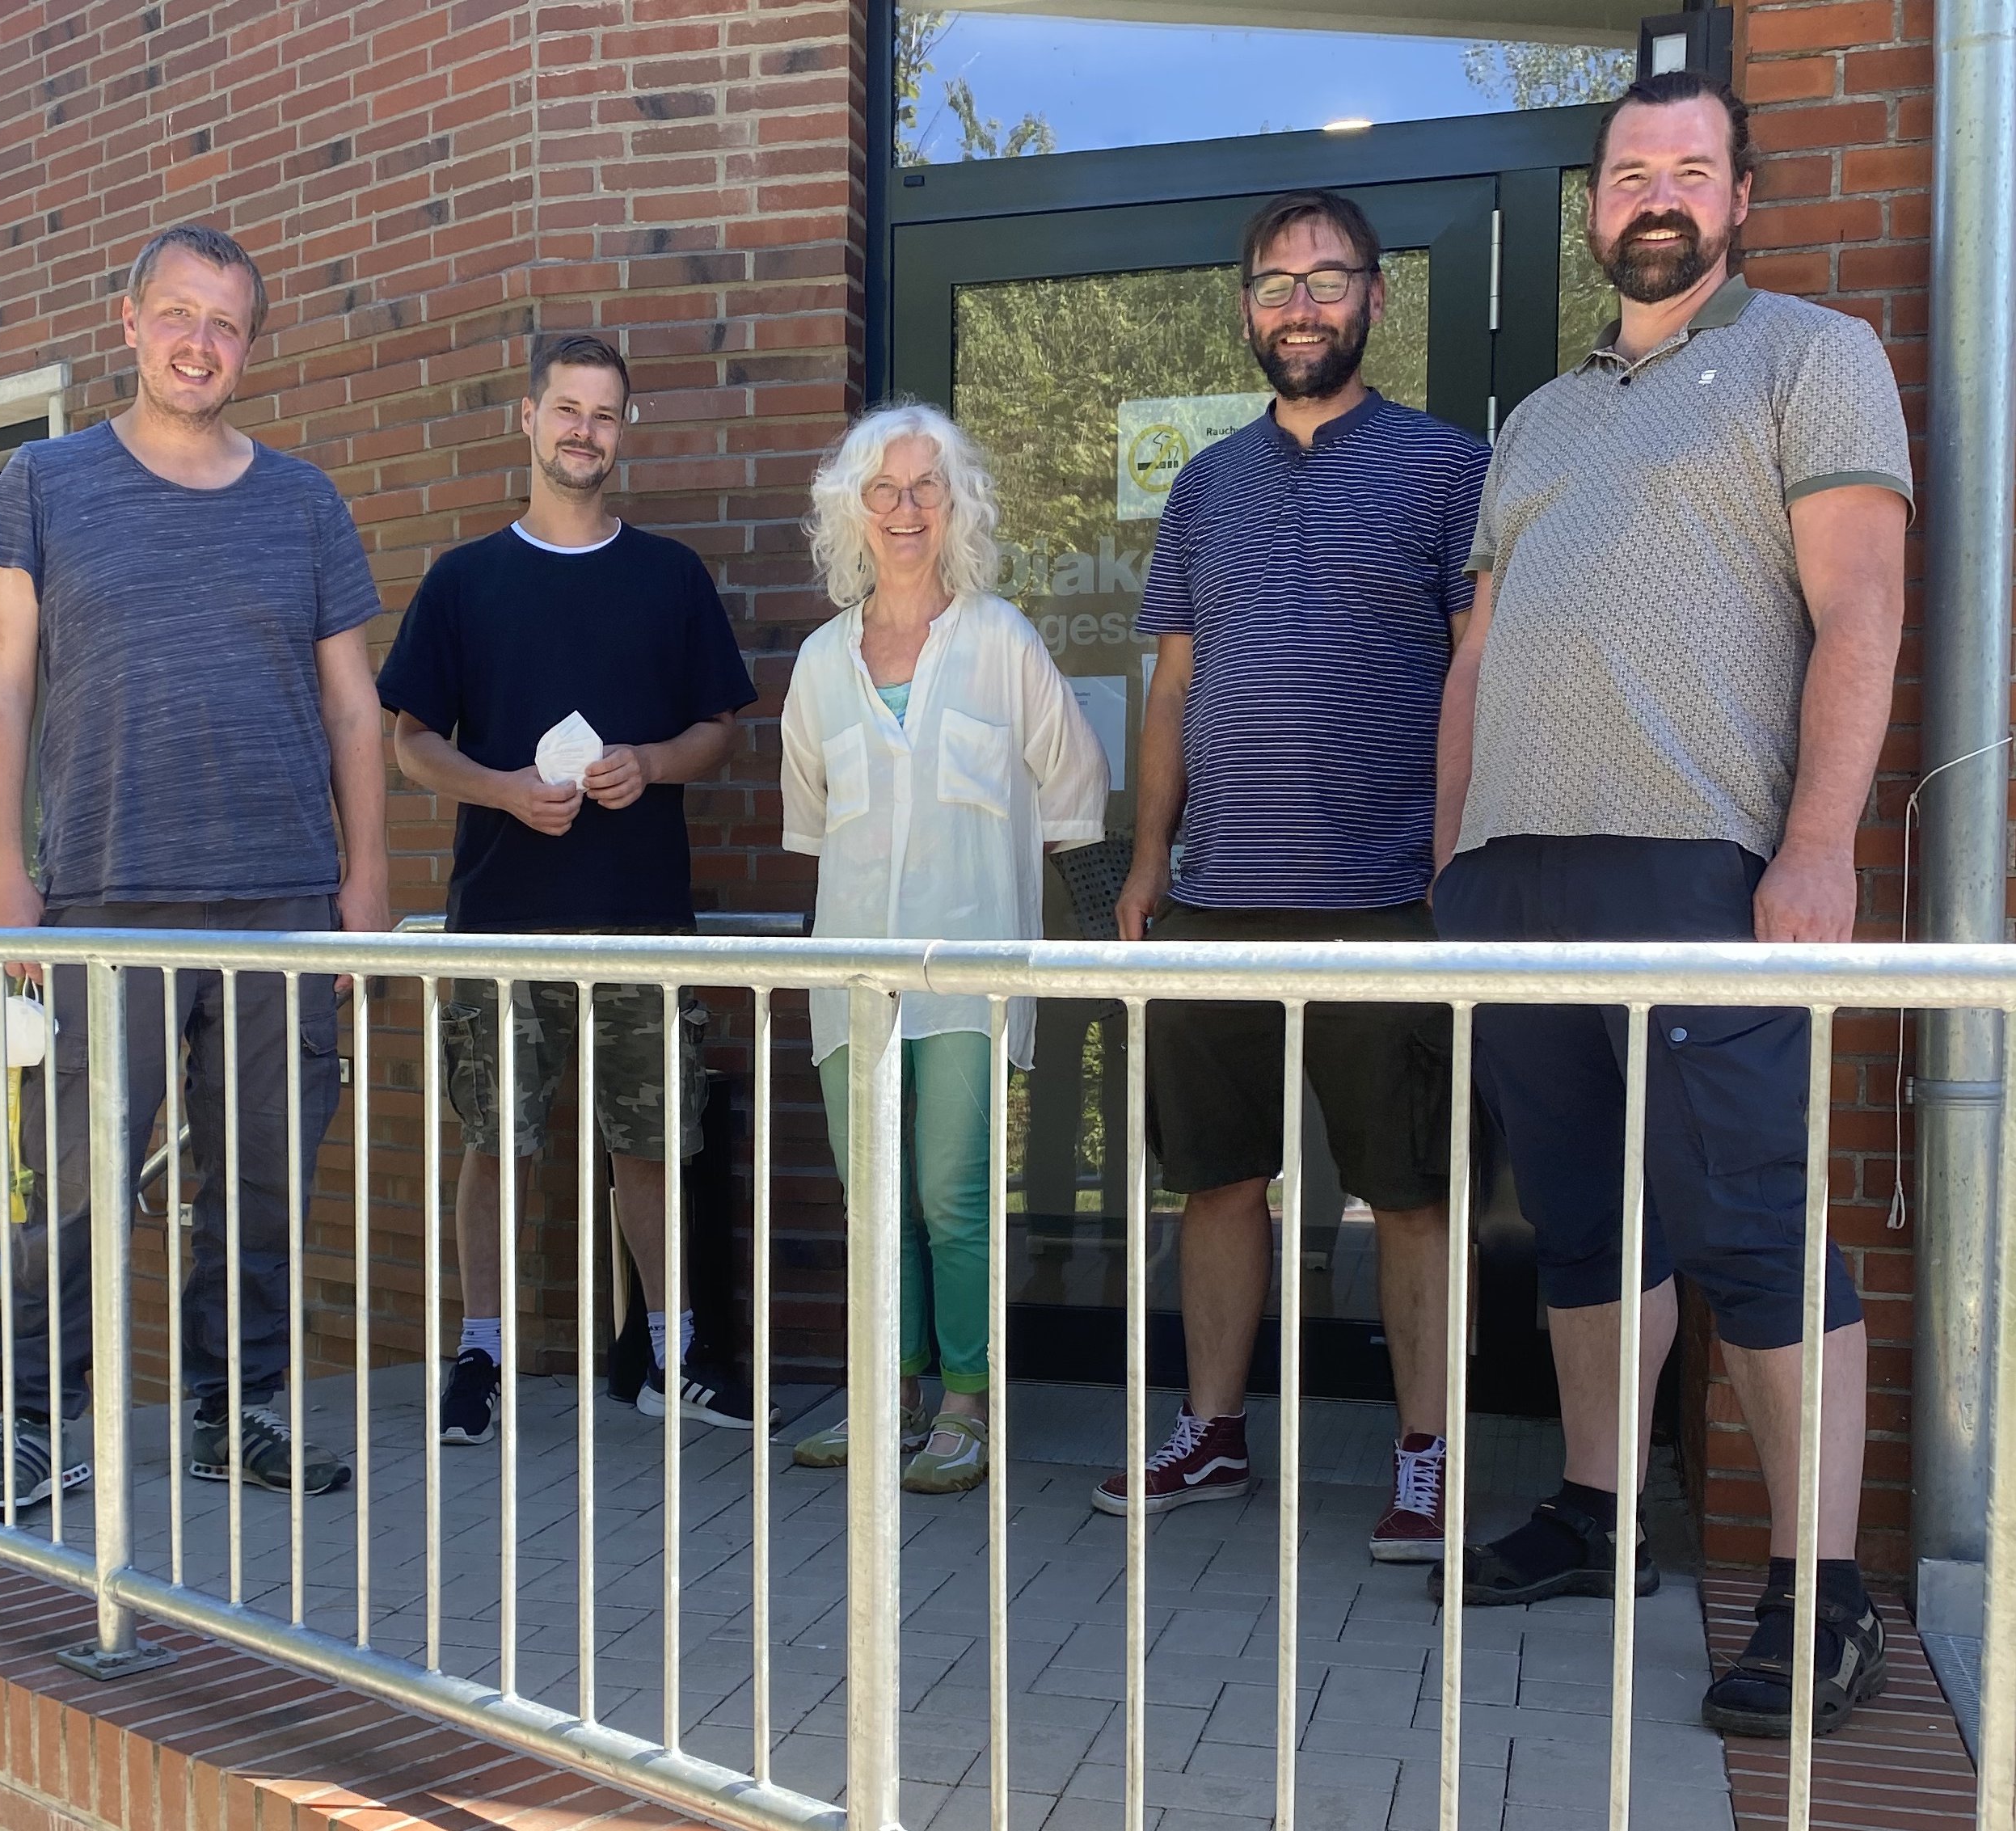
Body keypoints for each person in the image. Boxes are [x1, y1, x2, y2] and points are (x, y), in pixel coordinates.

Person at [1431, 73, 1908, 1738]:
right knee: (1580, 1217)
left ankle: (1816, 1583)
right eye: (1628, 168)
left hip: (1702, 860)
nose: (1655, 192)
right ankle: (1595, 1509)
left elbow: (1859, 607)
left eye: (1687, 169)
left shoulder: (1808, 357)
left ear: (1738, 198)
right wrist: (1448, 866)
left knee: (1752, 1223)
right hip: (1513, 878)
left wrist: (1819, 846)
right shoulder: (1538, 417)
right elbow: (1478, 652)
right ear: (1591, 205)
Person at [0, 223, 386, 1509]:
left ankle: (237, 1409)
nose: (201, 343)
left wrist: (368, 882)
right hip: (105, 888)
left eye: (227, 324)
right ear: (130, 319)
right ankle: (37, 1419)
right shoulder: (43, 483)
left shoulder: (306, 501)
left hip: (284, 899)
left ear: (251, 346)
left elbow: (356, 709)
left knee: (264, 1173)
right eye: (179, 315)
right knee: (77, 1178)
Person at [1103, 191, 1487, 1563]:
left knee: (1411, 1188)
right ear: (1247, 309)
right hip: (1218, 893)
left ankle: (1426, 1452)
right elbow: (1174, 684)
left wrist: (1456, 861)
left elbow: (1481, 673)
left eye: (1327, 280)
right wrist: (1150, 858)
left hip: (1390, 895)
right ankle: (1212, 1432)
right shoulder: (1205, 482)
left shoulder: (1453, 469)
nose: (1301, 306)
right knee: (1214, 1178)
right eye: (1275, 284)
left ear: (1376, 298)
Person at [377, 332, 760, 1446]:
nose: (585, 429)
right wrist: (499, 787)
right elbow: (408, 743)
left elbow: (718, 732)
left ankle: (670, 1352)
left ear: (621, 431)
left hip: (642, 918)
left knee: (652, 1141)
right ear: (530, 420)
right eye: (568, 409)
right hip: (500, 917)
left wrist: (652, 762)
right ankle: (480, 1351)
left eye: (605, 412)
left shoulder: (669, 577)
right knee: (495, 1138)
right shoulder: (465, 580)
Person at [781, 402, 1107, 1495]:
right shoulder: (823, 665)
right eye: (885, 489)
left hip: (968, 974)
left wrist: (1096, 942)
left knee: (951, 1192)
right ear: (853, 512)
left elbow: (1075, 788)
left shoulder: (1004, 642)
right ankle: (888, 1400)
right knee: (870, 1198)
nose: (907, 509)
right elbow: (813, 822)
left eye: (928, 487)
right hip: (851, 981)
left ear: (955, 505)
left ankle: (967, 1403)